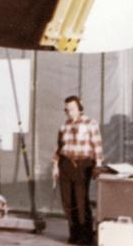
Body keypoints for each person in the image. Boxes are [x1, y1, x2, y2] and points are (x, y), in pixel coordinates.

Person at [53, 94, 103, 245]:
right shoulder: (64, 126)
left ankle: (86, 237)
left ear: (80, 108)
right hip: (66, 164)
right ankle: (74, 234)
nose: (70, 112)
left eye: (73, 109)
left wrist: (98, 165)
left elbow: (97, 145)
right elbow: (59, 148)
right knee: (68, 201)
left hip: (83, 164)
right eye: (67, 109)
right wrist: (55, 166)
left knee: (81, 201)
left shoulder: (90, 123)